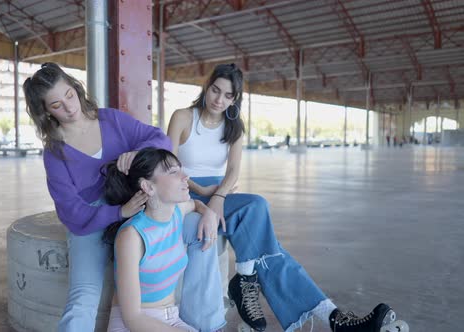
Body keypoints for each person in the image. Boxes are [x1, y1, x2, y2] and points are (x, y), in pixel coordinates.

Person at [167, 63, 402, 332]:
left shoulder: (234, 127)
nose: (219, 100)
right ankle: (327, 316)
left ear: (236, 98)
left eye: (228, 95)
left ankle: (325, 313)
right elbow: (169, 166)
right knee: (266, 236)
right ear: (207, 88)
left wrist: (217, 197)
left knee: (258, 214)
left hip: (220, 196)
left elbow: (233, 172)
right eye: (215, 90)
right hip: (185, 194)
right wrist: (202, 190)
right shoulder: (183, 117)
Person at [23, 63, 225, 332]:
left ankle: (205, 324)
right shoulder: (55, 153)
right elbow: (70, 212)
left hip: (140, 207)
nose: (70, 108)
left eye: (69, 95)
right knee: (83, 295)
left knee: (199, 232)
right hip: (92, 221)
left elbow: (160, 139)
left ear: (76, 88)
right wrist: (118, 213)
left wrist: (138, 151)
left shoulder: (110, 119)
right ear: (46, 111)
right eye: (57, 104)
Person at [102, 148, 222, 332]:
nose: (185, 176)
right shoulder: (132, 236)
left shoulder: (176, 212)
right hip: (137, 325)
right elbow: (133, 319)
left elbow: (196, 204)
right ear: (149, 187)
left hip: (172, 320)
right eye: (174, 172)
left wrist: (208, 213)